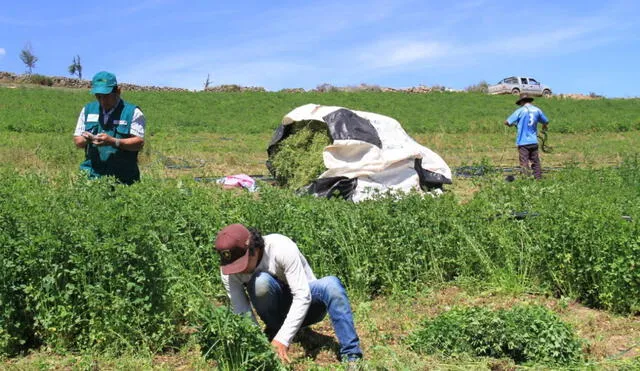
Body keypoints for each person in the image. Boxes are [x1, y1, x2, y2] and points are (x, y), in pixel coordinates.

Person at [214, 223, 363, 364]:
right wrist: (260, 347)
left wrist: (283, 339)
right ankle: (275, 329)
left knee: (331, 285)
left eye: (241, 264)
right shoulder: (228, 272)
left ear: (253, 248)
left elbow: (303, 295)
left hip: (310, 308)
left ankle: (352, 355)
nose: (238, 271)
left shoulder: (280, 247)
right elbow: (243, 312)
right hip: (274, 316)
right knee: (261, 282)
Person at [73, 71, 145, 184]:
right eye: (98, 96)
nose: (102, 101)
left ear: (118, 91)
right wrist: (87, 138)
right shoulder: (87, 110)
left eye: (106, 96)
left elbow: (139, 143)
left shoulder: (132, 112)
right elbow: (77, 141)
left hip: (124, 180)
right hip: (91, 177)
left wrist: (113, 142)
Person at [504, 93, 549, 179]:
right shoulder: (537, 110)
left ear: (522, 102)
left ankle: (525, 179)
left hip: (523, 142)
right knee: (536, 161)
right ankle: (538, 178)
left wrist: (512, 124)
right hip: (534, 141)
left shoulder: (520, 111)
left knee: (524, 162)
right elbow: (546, 121)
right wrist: (544, 126)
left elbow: (507, 122)